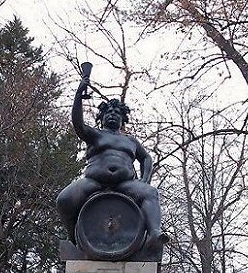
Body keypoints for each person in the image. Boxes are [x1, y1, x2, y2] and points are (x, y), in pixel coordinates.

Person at [57, 73, 166, 248]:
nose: (113, 115)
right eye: (109, 112)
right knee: (63, 200)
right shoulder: (95, 134)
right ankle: (74, 237)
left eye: (117, 113)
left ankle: (155, 234)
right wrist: (79, 95)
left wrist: (144, 180)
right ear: (101, 117)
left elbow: (146, 158)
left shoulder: (130, 140)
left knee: (150, 193)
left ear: (123, 120)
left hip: (125, 183)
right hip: (94, 181)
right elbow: (78, 123)